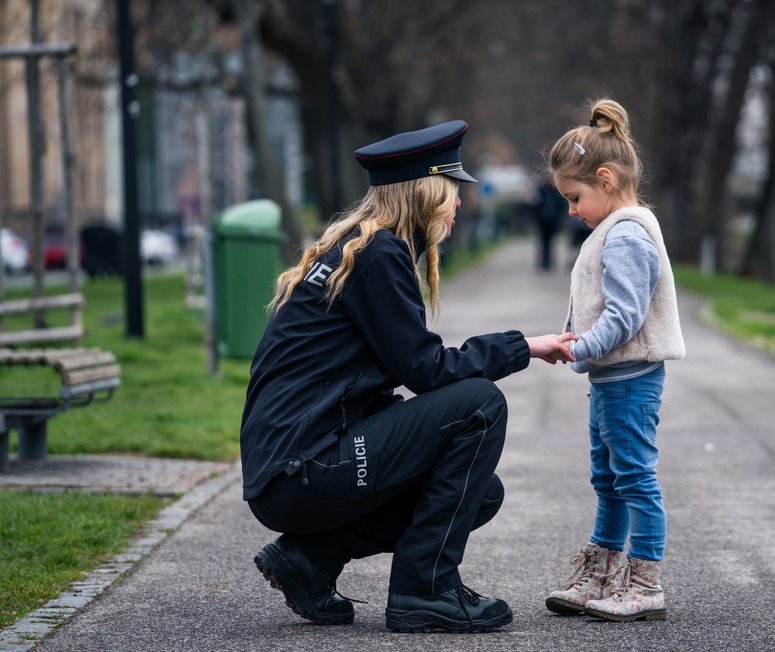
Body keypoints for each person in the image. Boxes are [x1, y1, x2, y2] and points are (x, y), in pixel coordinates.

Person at [240, 119, 576, 634]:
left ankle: (310, 560)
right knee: (479, 405)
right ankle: (426, 590)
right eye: (452, 191)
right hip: (302, 467)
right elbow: (427, 370)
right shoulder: (377, 255)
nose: (459, 203)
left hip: (294, 466)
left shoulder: (359, 247)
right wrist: (521, 346)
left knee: (479, 493)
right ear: (425, 193)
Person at [543, 99, 686, 622]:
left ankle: (644, 581)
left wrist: (580, 347)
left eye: (574, 197)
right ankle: (602, 571)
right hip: (613, 378)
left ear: (605, 179)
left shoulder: (626, 233)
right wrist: (584, 349)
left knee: (634, 477)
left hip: (630, 379)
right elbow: (599, 304)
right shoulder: (612, 228)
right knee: (608, 478)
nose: (571, 209)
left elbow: (624, 316)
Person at [531, 180, 565, 270]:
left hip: (553, 220)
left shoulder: (555, 191)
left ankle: (549, 261)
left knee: (551, 241)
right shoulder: (540, 190)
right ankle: (543, 262)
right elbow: (534, 205)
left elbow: (560, 206)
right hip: (542, 221)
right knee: (543, 242)